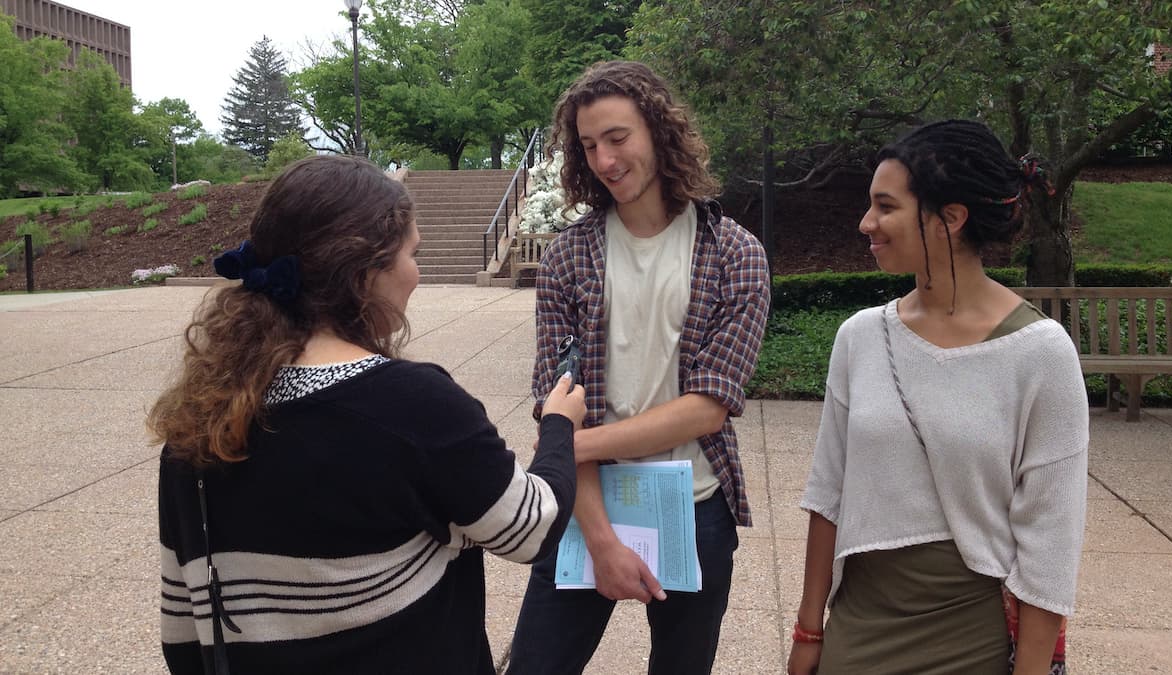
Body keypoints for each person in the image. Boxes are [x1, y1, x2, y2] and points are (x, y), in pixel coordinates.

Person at [150, 154, 585, 675]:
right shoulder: (414, 405)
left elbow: (182, 629)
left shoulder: (197, 420)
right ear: (364, 272)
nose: (416, 274)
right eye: (411, 254)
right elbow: (529, 529)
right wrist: (561, 426)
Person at [787, 120, 1089, 675]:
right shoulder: (861, 337)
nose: (866, 223)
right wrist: (809, 630)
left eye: (885, 207)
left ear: (951, 218)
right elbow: (828, 492)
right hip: (861, 622)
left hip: (973, 631)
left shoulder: (1041, 353)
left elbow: (1050, 539)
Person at [506, 61, 770, 675]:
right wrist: (600, 540)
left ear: (658, 130)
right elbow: (557, 394)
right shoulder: (571, 256)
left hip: (695, 503)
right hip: (587, 502)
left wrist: (568, 443)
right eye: (589, 145)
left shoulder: (734, 252)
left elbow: (708, 403)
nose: (604, 160)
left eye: (617, 138)